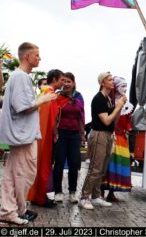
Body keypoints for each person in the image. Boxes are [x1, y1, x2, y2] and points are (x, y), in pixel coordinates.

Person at [0, 42, 57, 225]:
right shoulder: (21, 77)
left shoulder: (19, 76)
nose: (39, 58)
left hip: (22, 134)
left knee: (15, 174)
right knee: (23, 173)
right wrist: (44, 99)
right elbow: (22, 107)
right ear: (27, 56)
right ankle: (11, 211)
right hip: (22, 135)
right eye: (37, 55)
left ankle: (12, 210)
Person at [79, 72, 126, 210]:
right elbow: (106, 121)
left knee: (102, 169)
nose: (113, 82)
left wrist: (119, 107)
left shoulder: (108, 99)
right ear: (102, 83)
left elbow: (113, 121)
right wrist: (117, 107)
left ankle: (96, 196)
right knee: (95, 168)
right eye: (110, 80)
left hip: (107, 134)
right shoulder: (99, 98)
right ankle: (84, 197)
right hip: (99, 134)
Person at [27, 69, 65, 208]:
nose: (63, 82)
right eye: (61, 80)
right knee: (43, 165)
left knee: (40, 165)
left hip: (41, 135)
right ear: (54, 80)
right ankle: (39, 197)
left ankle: (37, 195)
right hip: (45, 136)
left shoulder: (44, 94)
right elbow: (53, 119)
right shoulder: (49, 95)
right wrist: (55, 134)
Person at [53, 72, 85, 203]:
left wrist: (82, 134)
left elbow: (81, 116)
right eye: (64, 81)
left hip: (75, 134)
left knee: (74, 163)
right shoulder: (58, 96)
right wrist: (55, 133)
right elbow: (54, 117)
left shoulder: (79, 97)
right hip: (61, 133)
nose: (66, 84)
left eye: (69, 81)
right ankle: (58, 192)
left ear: (74, 83)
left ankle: (72, 192)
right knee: (59, 162)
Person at [102, 76, 133, 202]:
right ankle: (100, 190)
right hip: (111, 135)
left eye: (126, 86)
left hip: (121, 138)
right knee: (107, 163)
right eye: (122, 85)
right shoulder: (109, 101)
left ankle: (112, 192)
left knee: (118, 164)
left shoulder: (128, 105)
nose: (124, 88)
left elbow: (127, 123)